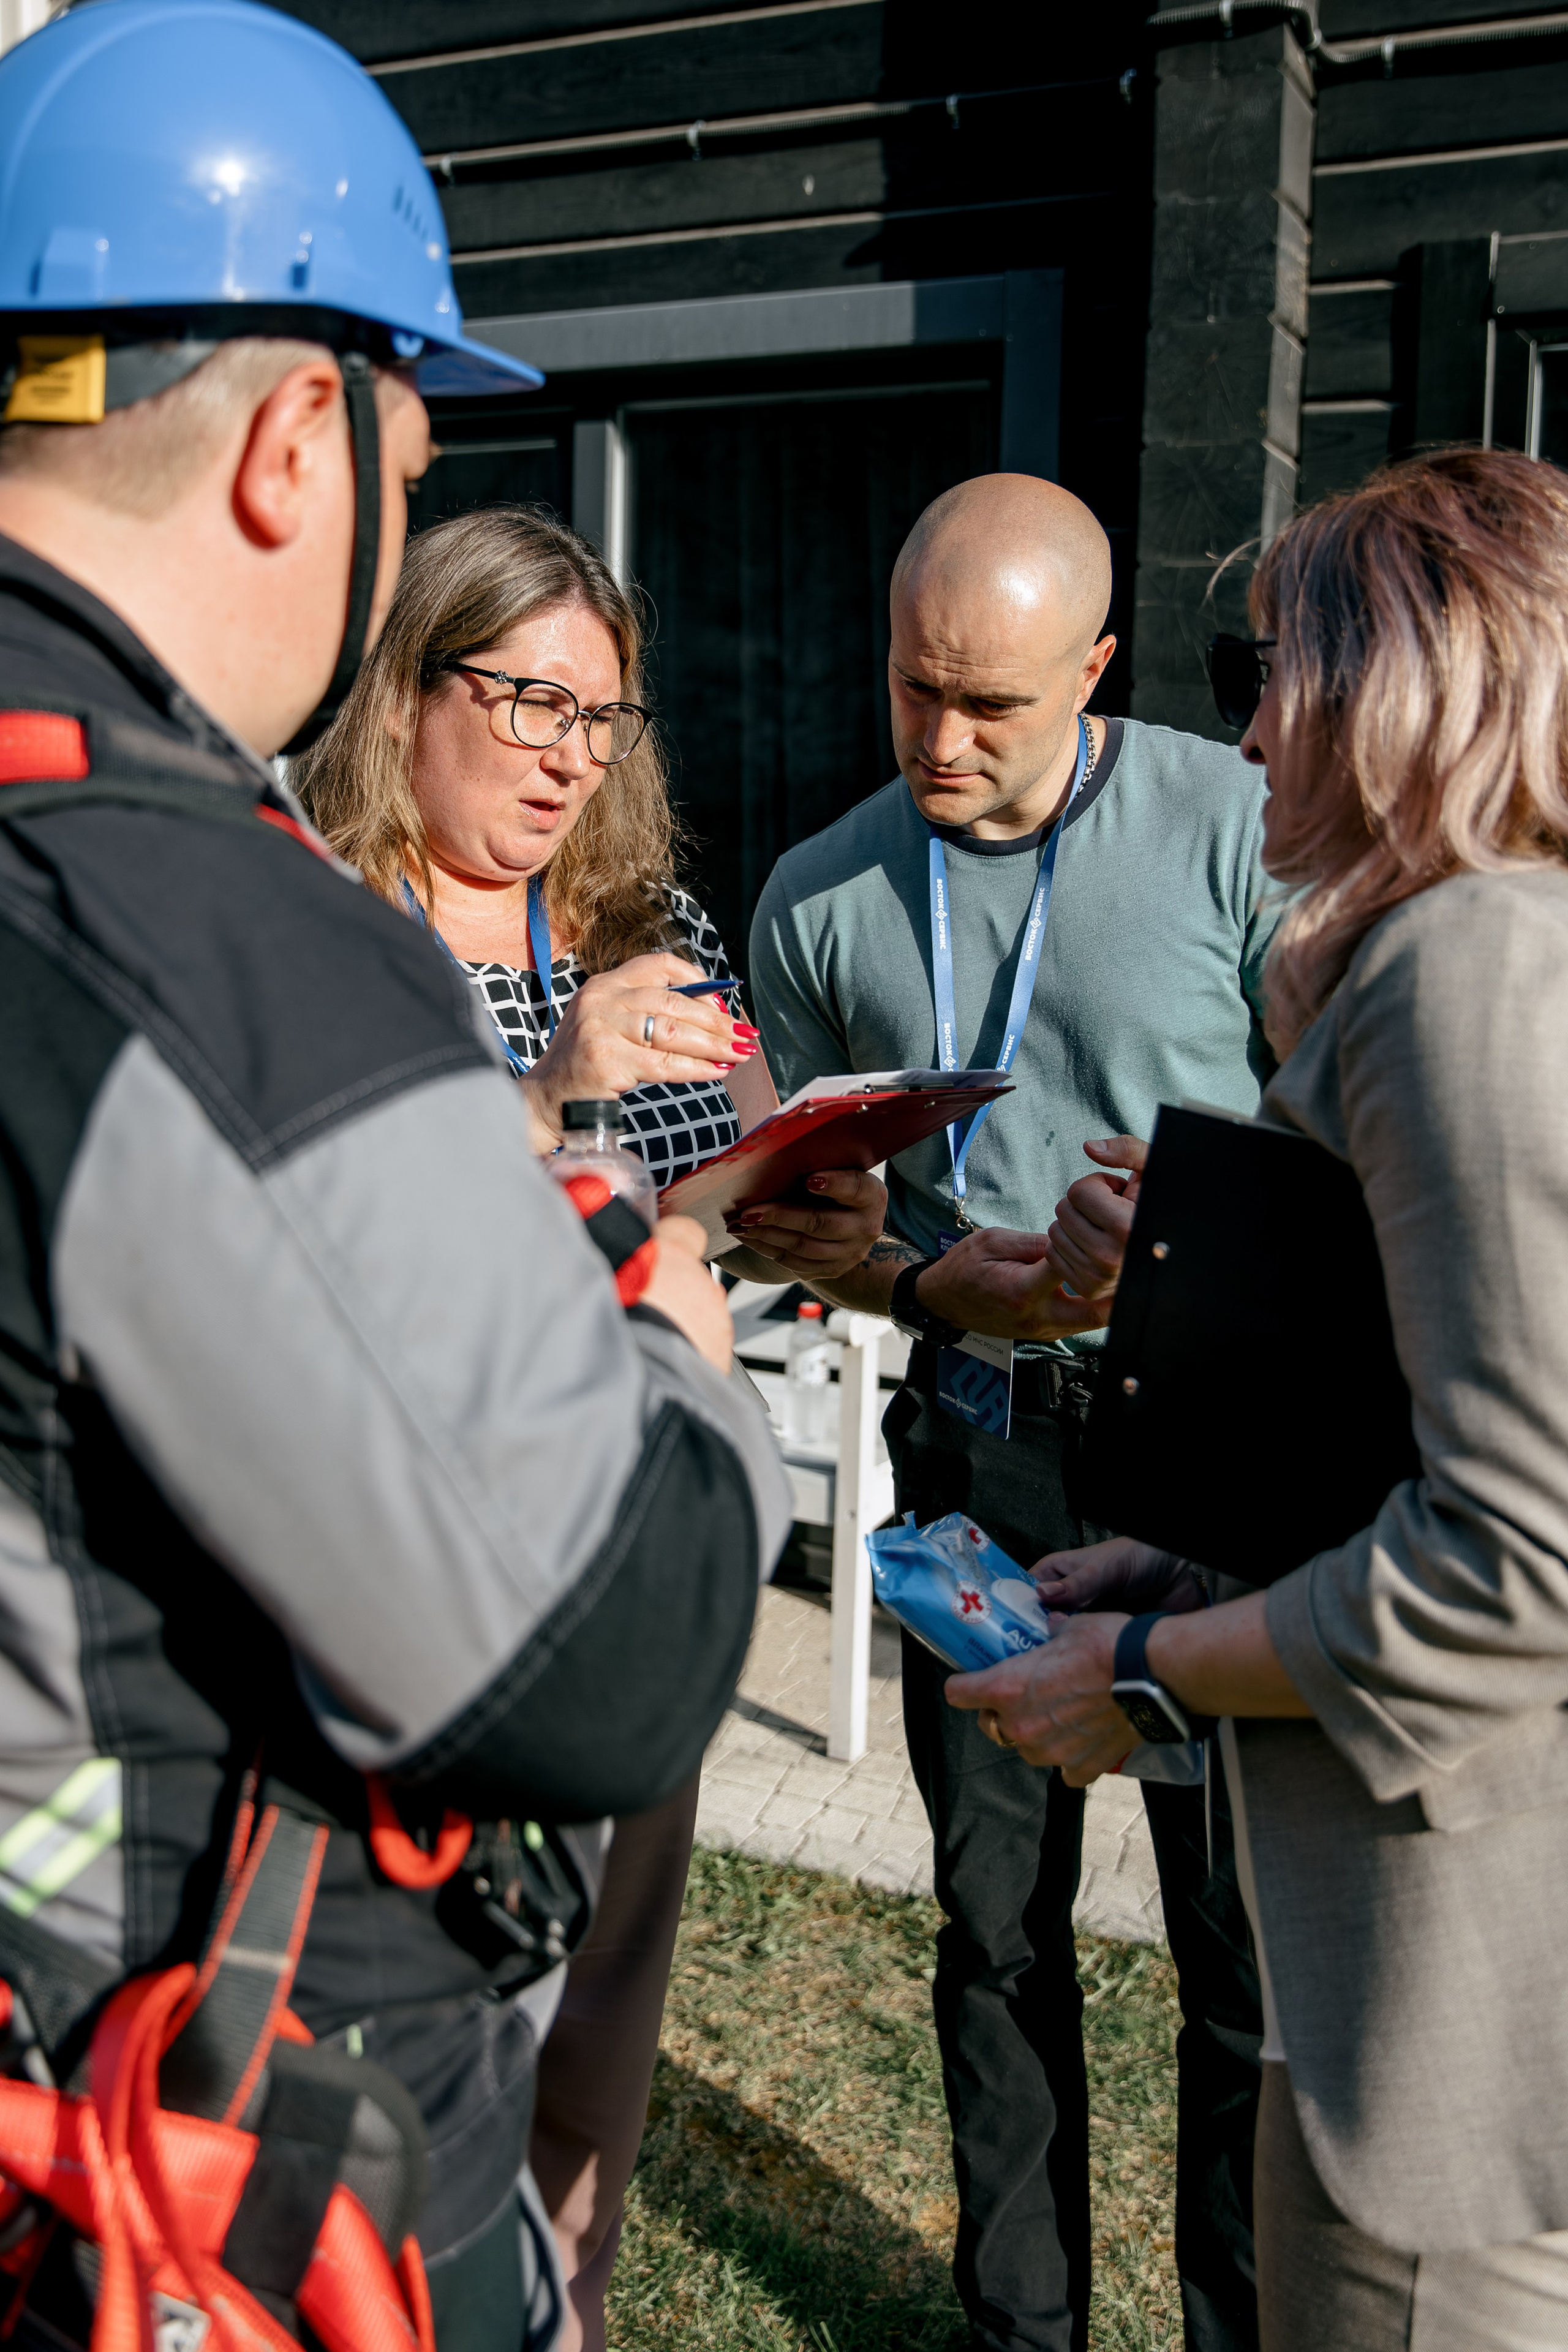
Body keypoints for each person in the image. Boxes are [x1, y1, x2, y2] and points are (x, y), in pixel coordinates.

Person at [0, 6, 790, 2350]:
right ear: (288, 446)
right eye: (407, 437)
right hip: (215, 2188)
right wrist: (660, 1318)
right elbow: (617, 1659)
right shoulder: (234, 941)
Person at [951, 447, 1568, 2352]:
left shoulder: (1463, 971)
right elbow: (1426, 1436)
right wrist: (1178, 1558)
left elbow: (1515, 1561)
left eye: (1263, 676)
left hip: (1453, 2026)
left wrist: (1148, 1673)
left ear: (1395, 688)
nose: (1241, 735)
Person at [296, 501, 886, 2352]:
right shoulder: (315, 914)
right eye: (527, 701)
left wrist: (810, 1199)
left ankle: (573, 2312)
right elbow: (321, 1236)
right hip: (414, 1553)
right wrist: (548, 1090)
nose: (567, 755)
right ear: (407, 691)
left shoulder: (644, 918)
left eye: (600, 718)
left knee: (613, 1992)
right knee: (412, 2011)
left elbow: (729, 1158)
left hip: (643, 1531)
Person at [747, 473, 1274, 2352]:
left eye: (997, 705)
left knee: (1245, 1953)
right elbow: (807, 1228)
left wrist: (1191, 1245)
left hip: (1227, 1449)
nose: (945, 744)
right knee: (993, 1928)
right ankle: (1018, 2329)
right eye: (914, 693)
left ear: (1101, 672)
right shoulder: (817, 897)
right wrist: (935, 1281)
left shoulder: (1242, 827)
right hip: (977, 1439)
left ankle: (1246, 2328)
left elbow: (1359, 1151)